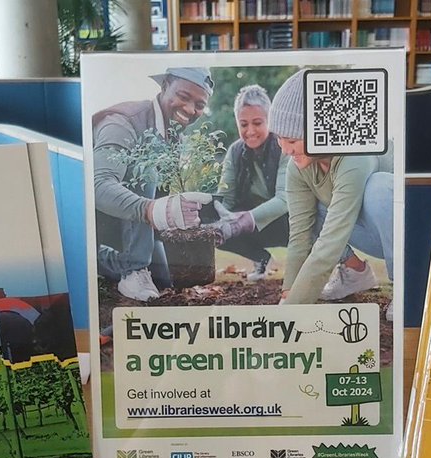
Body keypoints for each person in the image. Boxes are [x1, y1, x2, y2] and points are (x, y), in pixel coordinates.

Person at [265, 70, 394, 313]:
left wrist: (293, 309)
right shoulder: (298, 167)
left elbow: (332, 239)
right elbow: (300, 233)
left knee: (379, 188)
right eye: (279, 139)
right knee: (306, 212)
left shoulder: (357, 153)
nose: (285, 150)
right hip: (361, 230)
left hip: (403, 235)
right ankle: (355, 273)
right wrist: (289, 292)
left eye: (292, 141)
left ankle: (406, 288)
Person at [92, 67, 216, 301]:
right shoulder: (122, 122)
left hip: (130, 225)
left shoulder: (174, 137)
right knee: (145, 167)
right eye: (183, 97)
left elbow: (161, 193)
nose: (190, 110)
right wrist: (149, 210)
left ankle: (97, 260)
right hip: (89, 217)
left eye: (199, 105)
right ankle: (132, 269)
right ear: (164, 86)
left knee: (163, 278)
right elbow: (98, 185)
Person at [210, 85, 289, 281]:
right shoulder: (235, 151)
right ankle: (261, 258)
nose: (250, 131)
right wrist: (213, 221)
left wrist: (245, 220)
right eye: (244, 124)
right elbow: (225, 198)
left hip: (290, 221)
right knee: (214, 227)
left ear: (270, 120)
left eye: (257, 123)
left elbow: (284, 199)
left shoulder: (285, 146)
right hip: (253, 222)